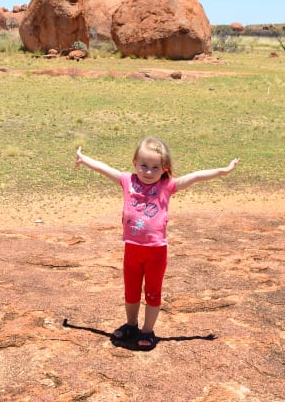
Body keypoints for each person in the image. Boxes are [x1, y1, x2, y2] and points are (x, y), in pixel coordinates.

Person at [75, 137, 239, 351]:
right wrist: (83, 159)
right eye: (144, 165)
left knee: (153, 292)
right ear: (135, 163)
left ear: (164, 169)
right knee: (131, 291)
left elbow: (197, 176)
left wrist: (223, 171)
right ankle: (131, 325)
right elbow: (105, 169)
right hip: (132, 249)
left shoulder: (167, 185)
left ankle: (147, 331)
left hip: (156, 252)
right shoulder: (128, 181)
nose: (148, 171)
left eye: (155, 167)